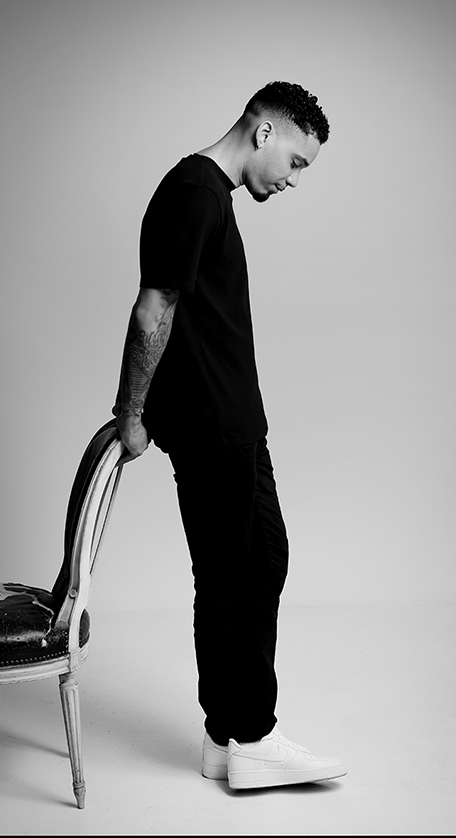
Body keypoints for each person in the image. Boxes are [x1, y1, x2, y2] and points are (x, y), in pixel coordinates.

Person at [112, 81, 347, 791]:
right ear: (264, 131)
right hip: (210, 424)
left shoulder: (211, 196)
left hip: (233, 422)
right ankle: (252, 736)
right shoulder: (195, 192)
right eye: (297, 162)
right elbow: (154, 306)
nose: (294, 179)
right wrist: (131, 411)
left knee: (260, 561)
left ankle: (225, 738)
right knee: (231, 578)